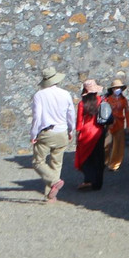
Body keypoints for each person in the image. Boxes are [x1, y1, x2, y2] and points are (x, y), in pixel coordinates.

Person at [29, 66, 77, 202]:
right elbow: (71, 114)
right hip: (62, 131)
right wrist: (71, 130)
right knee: (56, 163)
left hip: (46, 132)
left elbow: (37, 116)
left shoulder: (39, 95)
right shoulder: (65, 94)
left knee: (38, 162)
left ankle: (54, 181)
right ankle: (50, 195)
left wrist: (33, 134)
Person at [74, 80, 109, 192]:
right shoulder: (102, 100)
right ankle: (98, 183)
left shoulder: (81, 104)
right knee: (99, 157)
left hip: (86, 132)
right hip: (99, 131)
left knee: (86, 157)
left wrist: (77, 135)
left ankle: (88, 179)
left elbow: (79, 122)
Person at [104, 76, 129, 171]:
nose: (117, 89)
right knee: (106, 144)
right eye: (116, 88)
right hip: (109, 125)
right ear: (112, 89)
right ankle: (105, 161)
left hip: (119, 124)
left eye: (119, 88)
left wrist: (128, 125)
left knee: (118, 145)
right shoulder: (107, 100)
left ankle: (114, 164)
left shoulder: (124, 100)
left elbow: (127, 112)